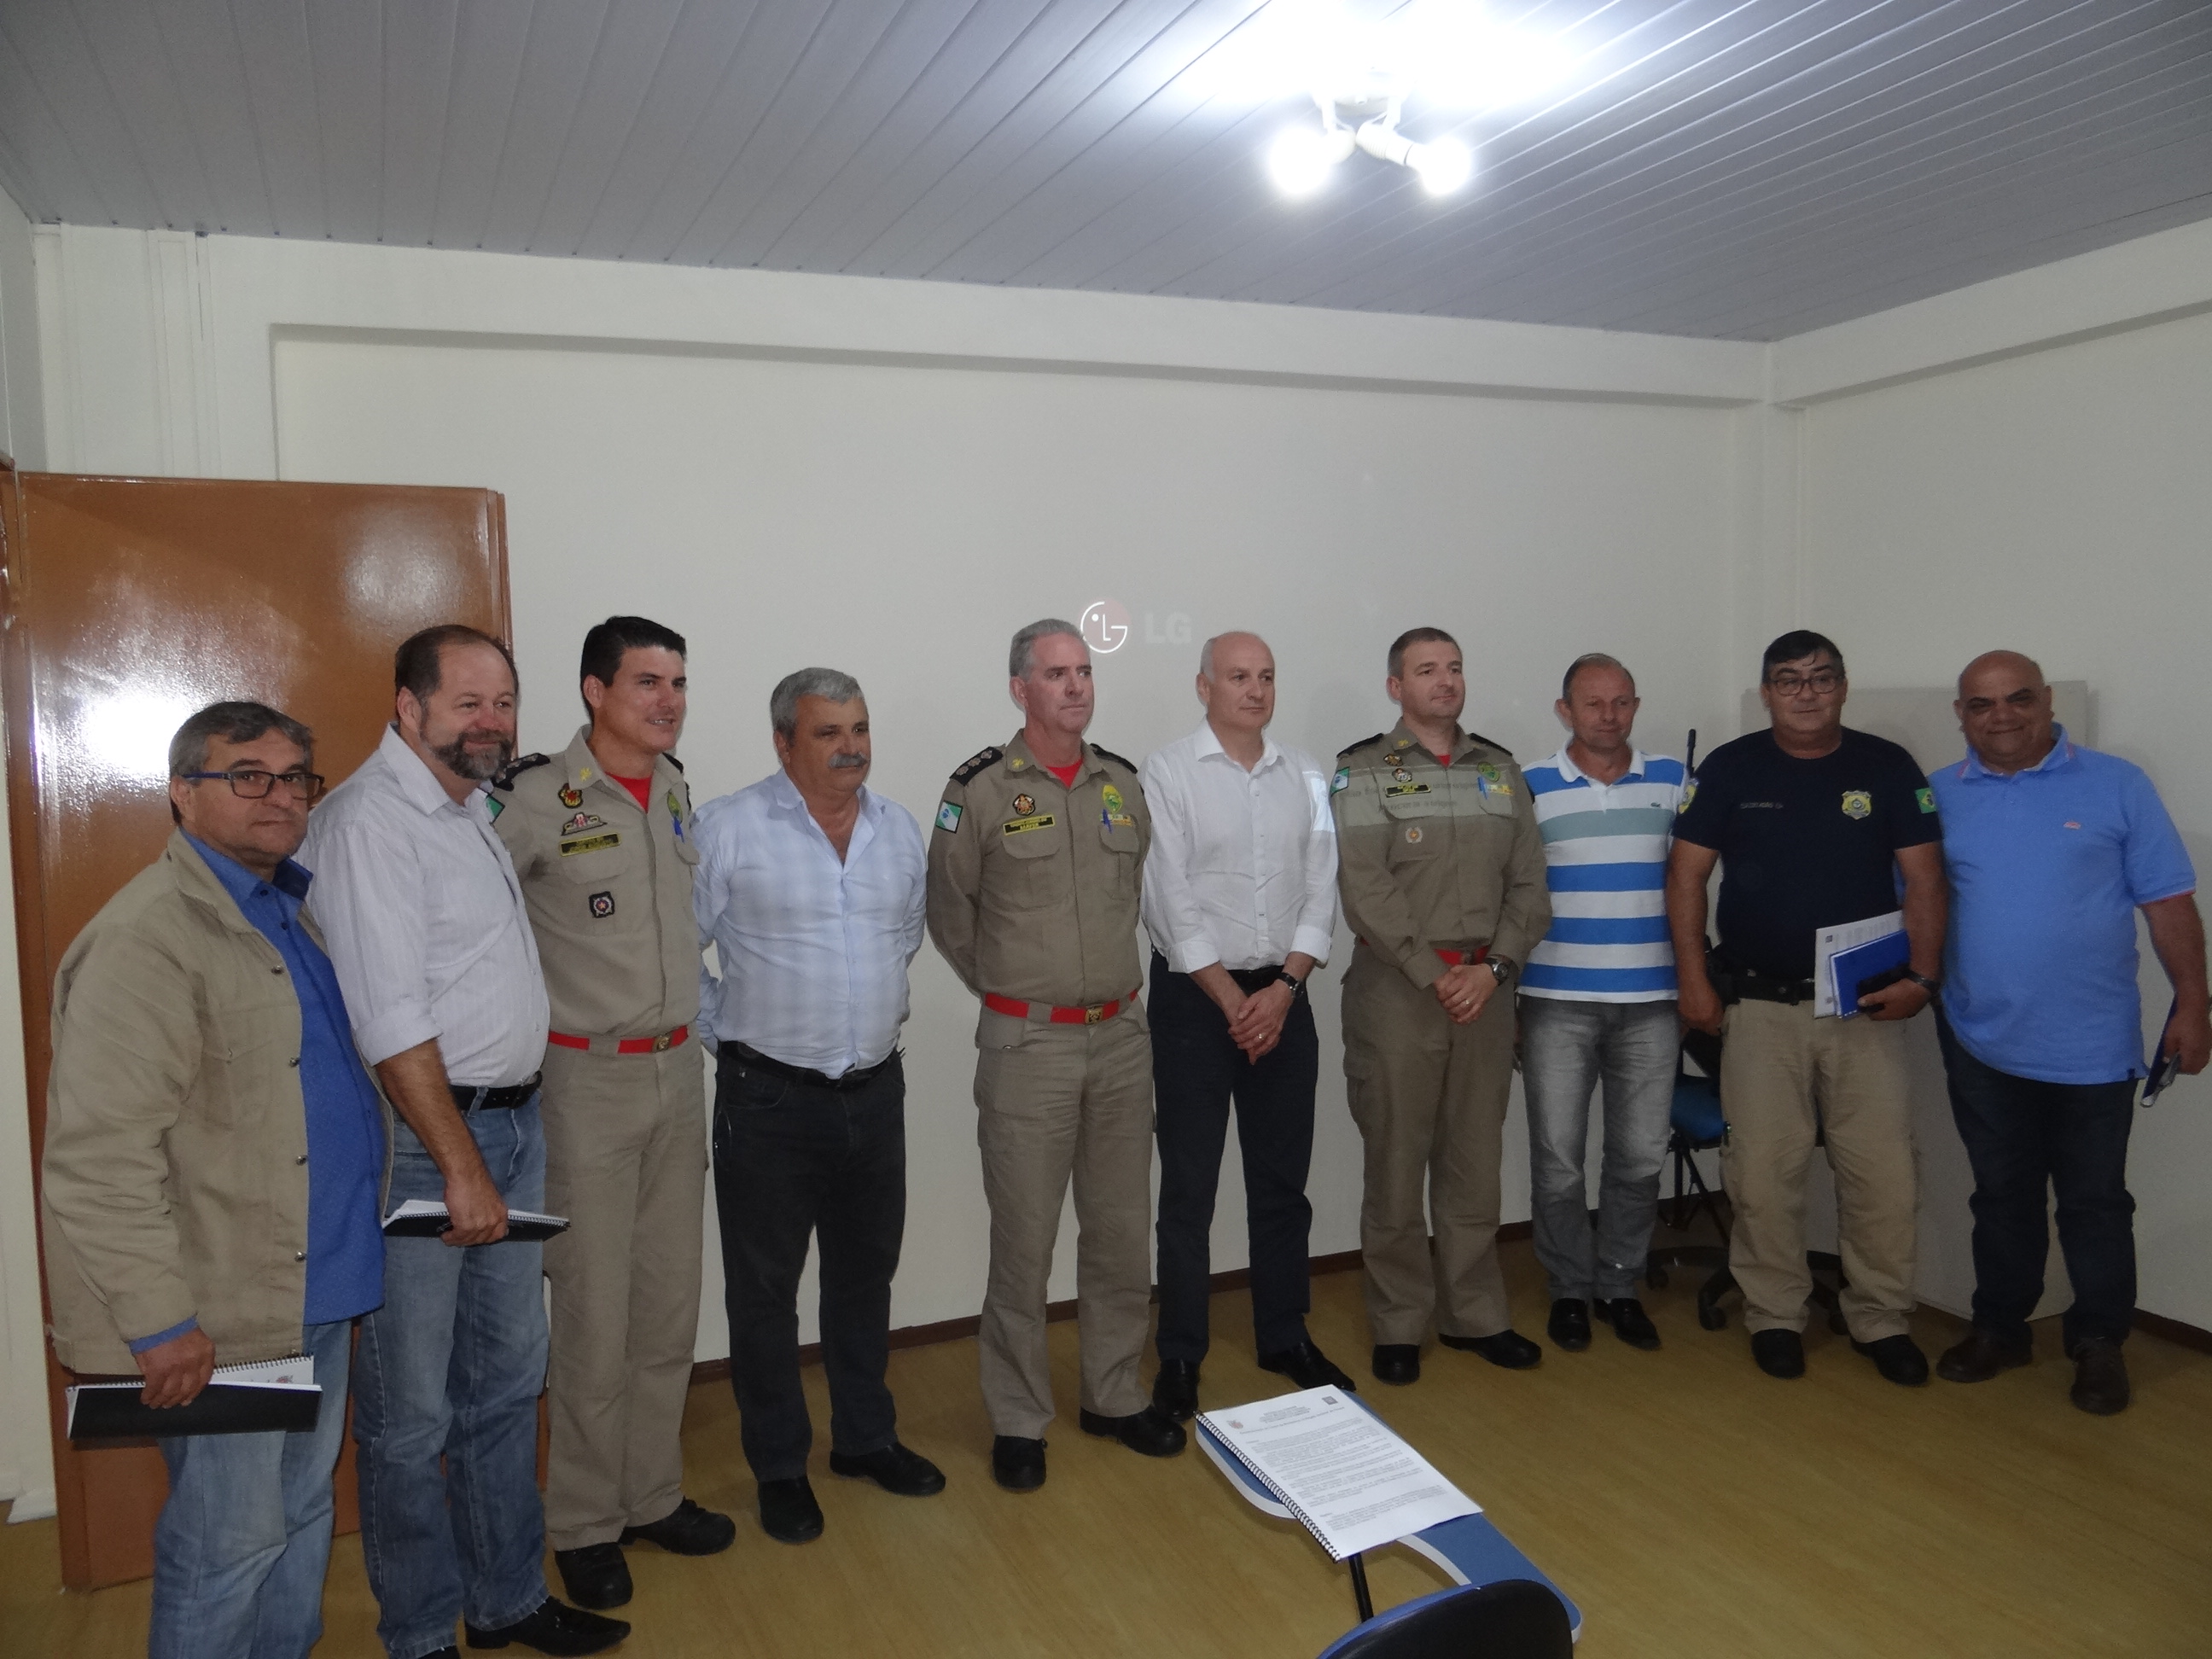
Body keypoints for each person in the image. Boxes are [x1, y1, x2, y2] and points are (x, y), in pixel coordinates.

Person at [304, 626, 626, 1659]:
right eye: (467, 705)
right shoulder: (369, 823)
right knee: (408, 1415)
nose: (491, 723)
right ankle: (416, 1634)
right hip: (426, 1148)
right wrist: (459, 1168)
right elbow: (389, 1021)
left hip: (509, 1127)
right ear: (409, 710)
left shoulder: (465, 810)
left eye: (504, 703)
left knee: (504, 1382)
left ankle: (504, 1602)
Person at [43, 702, 383, 1659]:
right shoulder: (148, 938)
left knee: (298, 1513)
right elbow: (98, 1156)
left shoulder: (285, 909)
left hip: (316, 1284)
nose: (279, 798)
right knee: (228, 1540)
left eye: (295, 778)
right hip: (223, 1309)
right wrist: (157, 1322)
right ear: (183, 793)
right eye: (248, 775)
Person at [489, 617, 733, 1610]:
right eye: (646, 682)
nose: (667, 700)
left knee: (668, 1305)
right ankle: (584, 1521)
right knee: (593, 1313)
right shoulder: (535, 800)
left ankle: (650, 1493)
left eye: (677, 681)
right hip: (585, 1081)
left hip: (679, 1074)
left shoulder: (674, 785)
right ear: (595, 691)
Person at [926, 618, 1185, 1492]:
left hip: (1120, 1038)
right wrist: (1013, 988)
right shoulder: (982, 789)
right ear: (1020, 690)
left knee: (1119, 1235)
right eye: (1057, 674)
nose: (1076, 687)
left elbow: (1137, 892)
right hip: (1027, 1042)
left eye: (1083, 672)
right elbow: (950, 912)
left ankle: (1113, 1393)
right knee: (1025, 1245)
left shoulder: (1121, 784)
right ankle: (1017, 1417)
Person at [693, 667, 946, 1543]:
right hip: (769, 1100)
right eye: (830, 732)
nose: (852, 748)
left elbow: (904, 937)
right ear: (784, 743)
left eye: (861, 729)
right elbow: (673, 943)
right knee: (763, 1294)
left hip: (875, 1093)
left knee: (861, 1279)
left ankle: (865, 1440)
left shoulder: (898, 831)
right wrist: (723, 1028)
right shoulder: (728, 828)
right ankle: (777, 1466)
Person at [1929, 650, 2208, 1415]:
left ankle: (2098, 1343)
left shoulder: (2117, 784)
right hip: (1980, 1039)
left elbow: (2169, 904)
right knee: (2002, 1197)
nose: (2002, 716)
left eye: (2018, 699)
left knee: (2094, 1203)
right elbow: (1915, 906)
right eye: (1981, 705)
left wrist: (2193, 1005)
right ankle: (2000, 1329)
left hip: (2091, 1045)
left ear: (2048, 702)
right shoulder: (1938, 795)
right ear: (1962, 715)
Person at [1667, 629, 1945, 1388]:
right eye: (1789, 680)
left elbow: (1924, 881)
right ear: (1767, 693)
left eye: (1822, 678)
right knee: (1763, 1173)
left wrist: (1923, 977)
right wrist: (1693, 979)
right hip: (1759, 1006)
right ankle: (1775, 1314)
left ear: (1844, 686)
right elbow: (1686, 879)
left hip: (1867, 1010)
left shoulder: (1886, 767)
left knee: (1883, 1174)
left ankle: (1881, 1317)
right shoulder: (1731, 767)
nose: (1807, 692)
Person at [1139, 632, 1351, 1421]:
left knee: (1281, 1184)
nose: (1254, 690)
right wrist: (1235, 1002)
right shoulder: (1167, 771)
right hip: (1199, 1004)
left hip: (1286, 998)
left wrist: (1286, 988)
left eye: (1265, 677)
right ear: (1204, 686)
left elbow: (1321, 885)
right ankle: (1182, 1354)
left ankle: (1283, 1334)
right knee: (1189, 1190)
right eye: (1238, 677)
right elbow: (1168, 897)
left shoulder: (1305, 772)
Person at [1331, 627, 1551, 1386]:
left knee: (1474, 1162)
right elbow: (1365, 889)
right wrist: (1435, 973)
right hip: (1398, 993)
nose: (1445, 682)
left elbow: (1530, 887)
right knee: (1395, 1163)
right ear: (1397, 687)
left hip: (1486, 995)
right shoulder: (1363, 771)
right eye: (1426, 670)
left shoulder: (1500, 770)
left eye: (1454, 668)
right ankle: (1398, 1321)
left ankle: (1474, 1315)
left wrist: (1491, 970)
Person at [1520, 655, 1687, 1354]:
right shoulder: (1528, 786)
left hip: (1653, 1001)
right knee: (1558, 1159)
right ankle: (1568, 1289)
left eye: (1621, 702)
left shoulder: (1678, 783)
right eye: (1593, 704)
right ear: (1565, 710)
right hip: (1557, 999)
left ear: (1636, 705)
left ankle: (1620, 1283)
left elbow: (1698, 882)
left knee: (1640, 1157)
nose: (1608, 716)